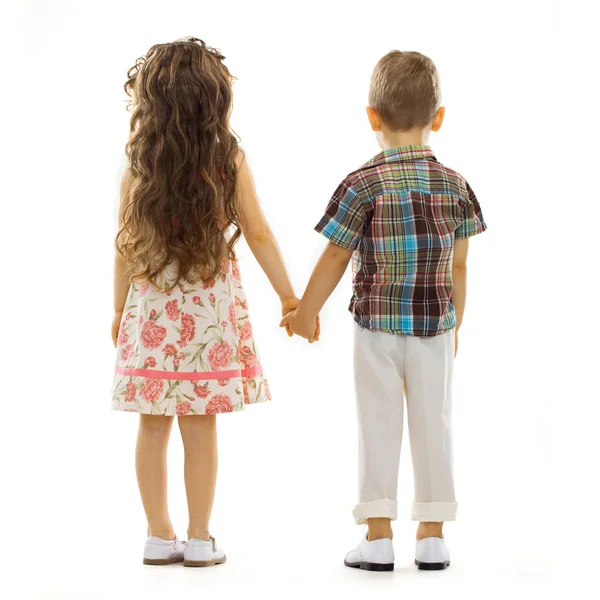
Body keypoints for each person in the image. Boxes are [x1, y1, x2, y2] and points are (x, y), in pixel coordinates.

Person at [111, 37, 314, 567]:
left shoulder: (138, 166)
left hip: (151, 309)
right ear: (214, 100)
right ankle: (199, 539)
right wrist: (290, 297)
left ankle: (159, 535)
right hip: (208, 315)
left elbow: (124, 245)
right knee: (201, 423)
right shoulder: (227, 159)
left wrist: (117, 310)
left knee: (151, 424)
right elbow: (260, 232)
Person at [282, 50, 486, 571]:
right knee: (433, 424)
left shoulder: (360, 184)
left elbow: (335, 254)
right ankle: (433, 536)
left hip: (375, 327)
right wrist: (456, 323)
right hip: (435, 325)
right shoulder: (456, 186)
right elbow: (459, 268)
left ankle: (376, 539)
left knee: (377, 423)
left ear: (372, 117)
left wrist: (305, 312)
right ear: (438, 118)